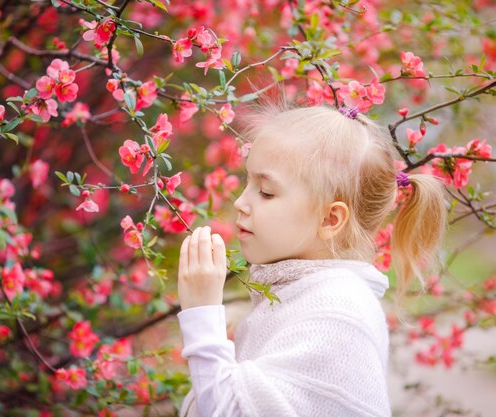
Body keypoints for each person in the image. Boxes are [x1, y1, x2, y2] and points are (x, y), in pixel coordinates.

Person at [175, 102, 448, 417]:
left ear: (331, 219)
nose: (240, 202)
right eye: (247, 182)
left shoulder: (336, 314)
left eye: (265, 192)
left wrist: (202, 314)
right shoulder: (302, 294)